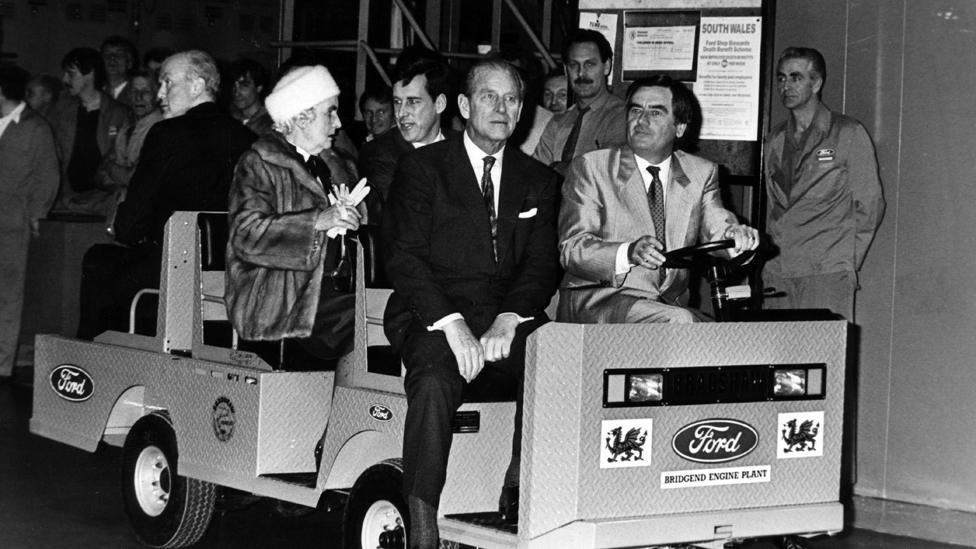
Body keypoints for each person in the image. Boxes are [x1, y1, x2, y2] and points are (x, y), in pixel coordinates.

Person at [382, 59, 560, 548]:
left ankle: (521, 484)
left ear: (522, 110)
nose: (501, 108)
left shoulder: (538, 180)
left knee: (555, 361)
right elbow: (404, 258)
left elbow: (541, 267)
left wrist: (509, 318)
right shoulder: (423, 168)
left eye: (511, 100)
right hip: (432, 313)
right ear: (463, 105)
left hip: (507, 314)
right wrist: (452, 324)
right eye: (489, 97)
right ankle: (421, 520)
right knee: (436, 377)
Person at [77, 50, 255, 340]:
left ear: (197, 86)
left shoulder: (167, 133)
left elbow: (129, 224)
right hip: (227, 272)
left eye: (167, 83)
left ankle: (90, 360)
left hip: (171, 269)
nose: (161, 93)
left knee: (99, 259)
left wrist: (127, 229)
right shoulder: (246, 138)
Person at [558, 75, 759, 324]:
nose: (641, 120)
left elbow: (717, 226)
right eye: (635, 110)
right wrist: (628, 252)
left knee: (725, 338)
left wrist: (737, 238)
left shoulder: (701, 173)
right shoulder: (591, 168)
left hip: (666, 307)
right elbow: (572, 249)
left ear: (680, 127)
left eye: (655, 113)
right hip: (600, 302)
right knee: (682, 322)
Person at [225, 65, 363, 360]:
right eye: (331, 112)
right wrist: (317, 222)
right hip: (283, 300)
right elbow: (245, 235)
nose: (338, 123)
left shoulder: (339, 166)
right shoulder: (260, 163)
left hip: (336, 291)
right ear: (302, 117)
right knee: (370, 319)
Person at [763, 47, 885, 320]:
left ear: (816, 83)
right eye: (781, 78)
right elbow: (774, 205)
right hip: (778, 271)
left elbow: (870, 204)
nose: (786, 86)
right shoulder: (776, 139)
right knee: (778, 358)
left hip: (826, 270)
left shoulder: (847, 133)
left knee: (823, 359)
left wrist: (844, 261)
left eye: (796, 77)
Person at [0, 66, 59, 379]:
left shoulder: (36, 127)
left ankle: (2, 364)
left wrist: (36, 216)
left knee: (8, 297)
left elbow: (48, 176)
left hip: (12, 225)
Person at [359, 56, 456, 222]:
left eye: (412, 102)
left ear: (439, 104)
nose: (401, 113)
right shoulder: (378, 154)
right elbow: (398, 221)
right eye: (397, 102)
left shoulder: (463, 145)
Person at [533, 29, 627, 176]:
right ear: (566, 69)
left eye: (590, 64)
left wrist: (556, 169)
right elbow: (534, 172)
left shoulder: (621, 116)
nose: (581, 73)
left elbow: (606, 170)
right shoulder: (559, 122)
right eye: (574, 65)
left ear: (606, 66)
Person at [51, 47, 131, 211]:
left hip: (104, 202)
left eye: (71, 73)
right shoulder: (61, 110)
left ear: (90, 74)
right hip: (66, 200)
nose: (65, 79)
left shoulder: (118, 114)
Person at [96, 69, 163, 230]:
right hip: (120, 214)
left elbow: (133, 178)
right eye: (134, 91)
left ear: (157, 94)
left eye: (145, 91)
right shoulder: (126, 128)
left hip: (146, 219)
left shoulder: (160, 129)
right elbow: (100, 176)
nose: (138, 97)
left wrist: (111, 166)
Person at [229, 58, 273, 136]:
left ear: (258, 88)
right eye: (233, 86)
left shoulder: (270, 124)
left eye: (244, 86)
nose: (237, 92)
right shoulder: (229, 120)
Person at [101, 36, 138, 105]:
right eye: (107, 54)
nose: (112, 58)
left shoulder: (137, 93)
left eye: (119, 54)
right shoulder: (95, 91)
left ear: (129, 62)